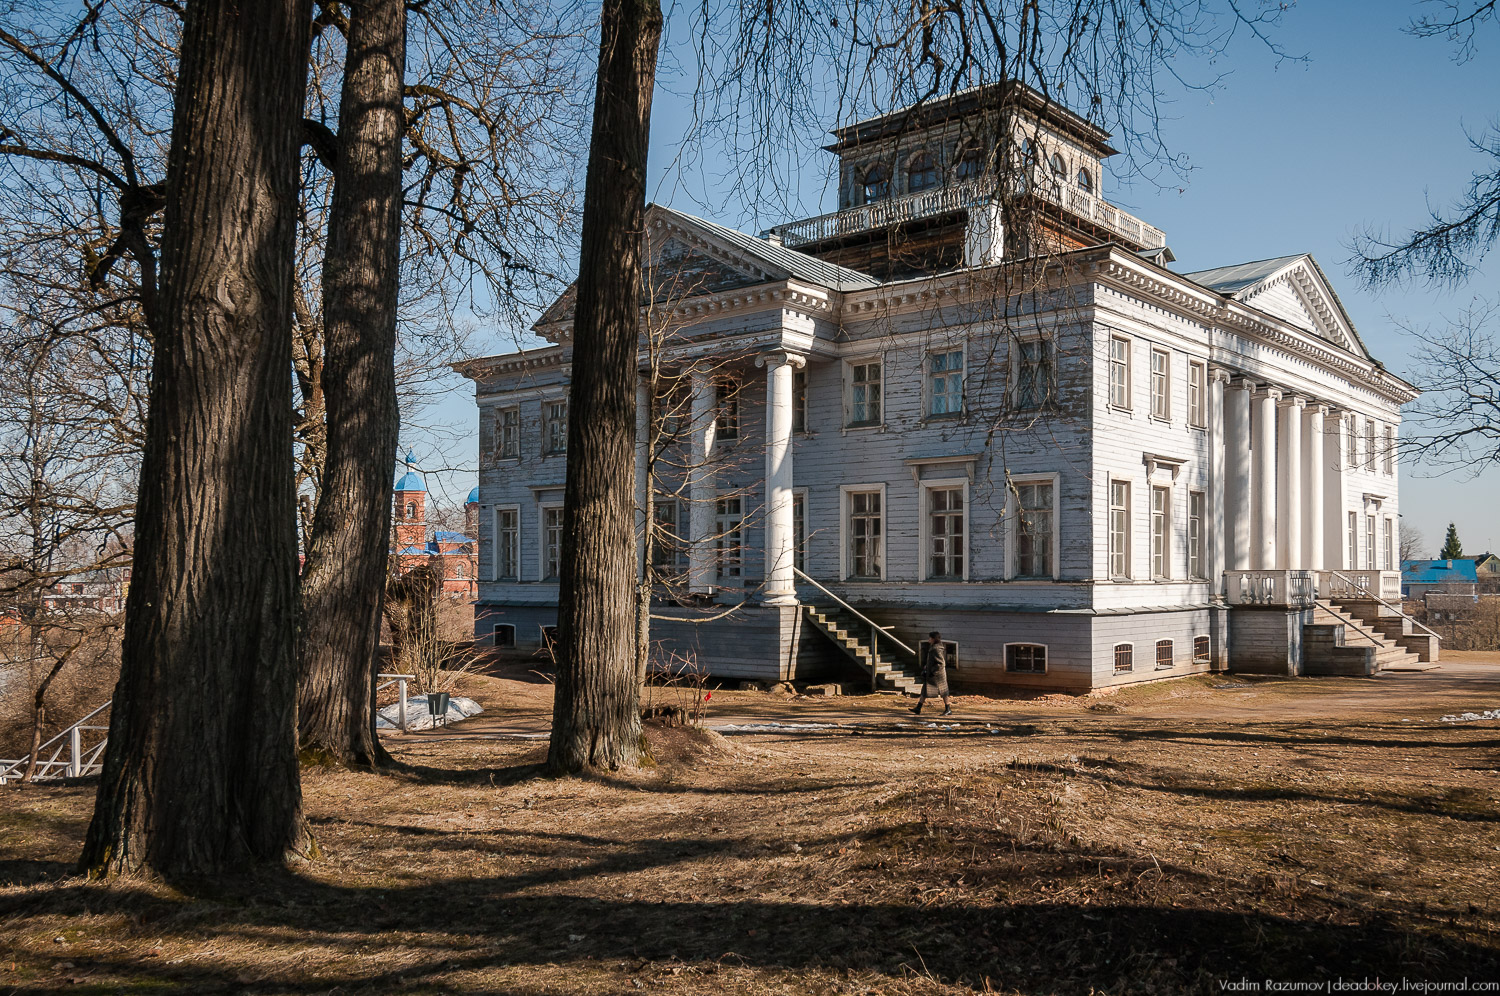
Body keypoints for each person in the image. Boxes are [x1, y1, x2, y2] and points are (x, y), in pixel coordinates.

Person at [912, 631, 953, 716]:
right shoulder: (933, 647)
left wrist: (933, 672)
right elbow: (931, 661)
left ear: (934, 639)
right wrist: (926, 667)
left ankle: (948, 709)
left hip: (938, 675)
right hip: (931, 673)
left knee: (943, 692)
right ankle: (918, 708)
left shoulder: (936, 649)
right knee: (925, 690)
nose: (928, 640)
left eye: (930, 638)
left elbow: (941, 663)